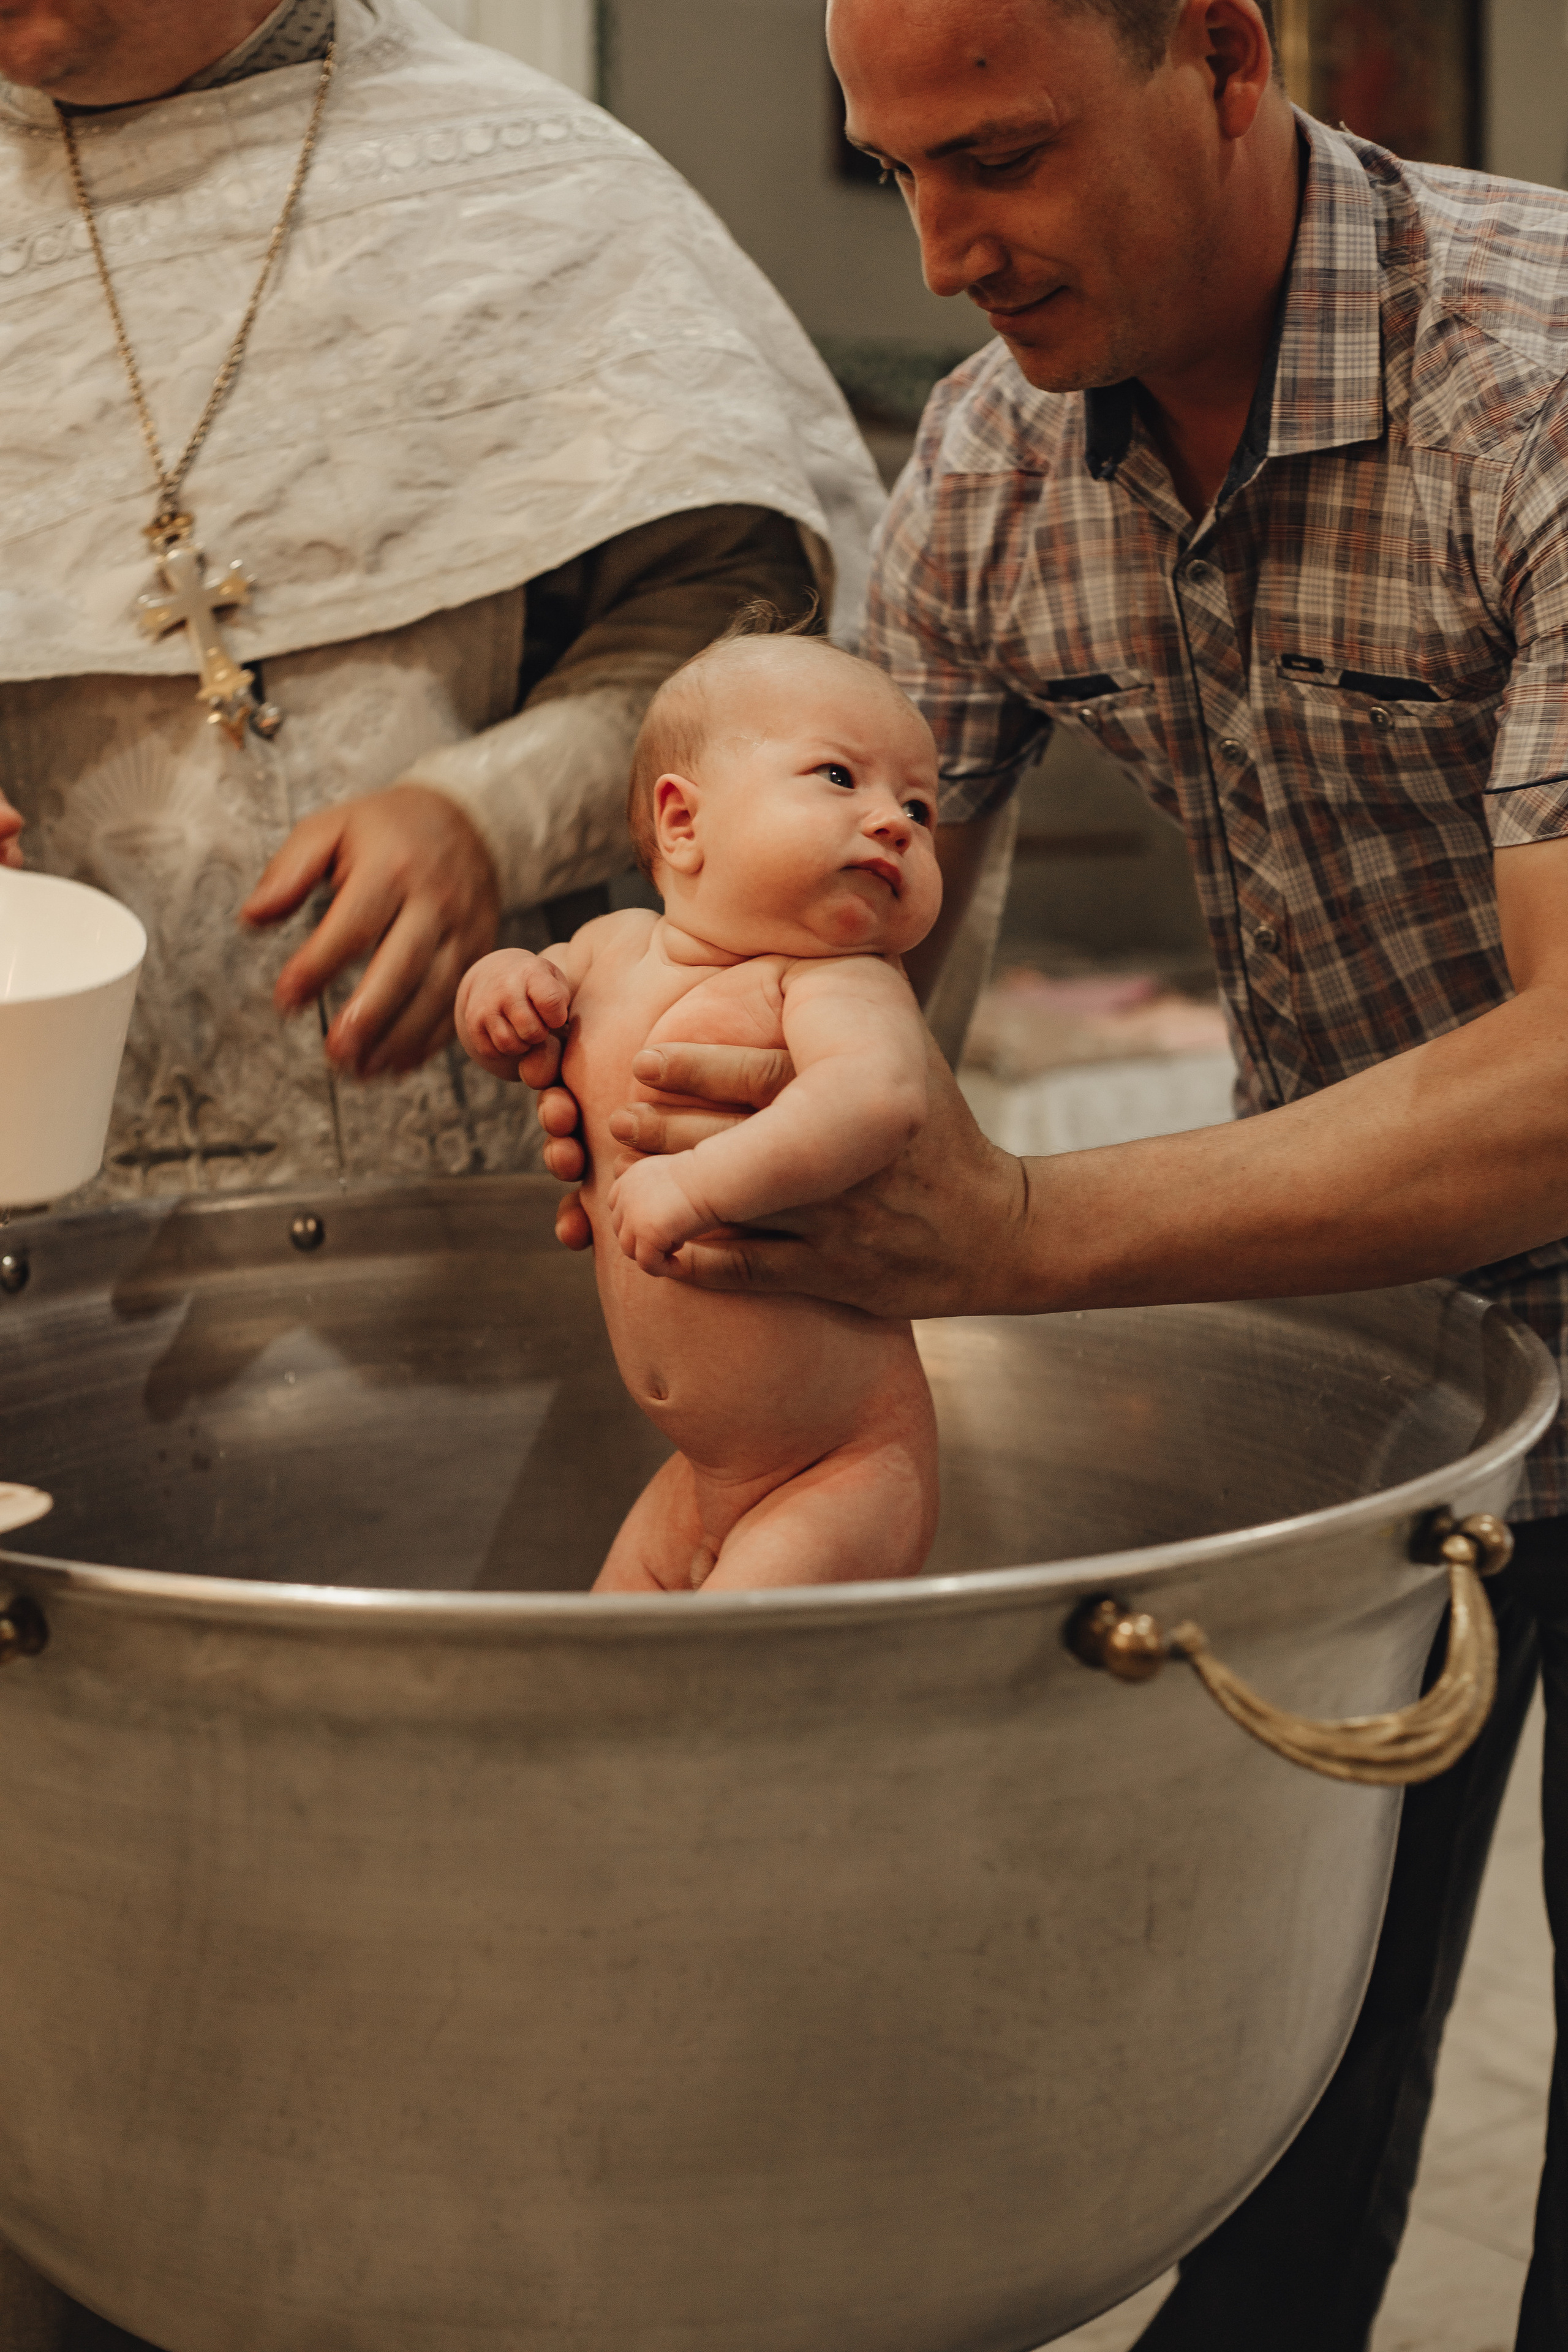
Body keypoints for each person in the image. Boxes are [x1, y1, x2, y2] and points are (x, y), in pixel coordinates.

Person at [528, 0, 1568, 2343]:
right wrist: (665, 1062)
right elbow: (842, 926)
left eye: (997, 154)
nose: (942, 247)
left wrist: (1021, 1228)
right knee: (1276, 2092)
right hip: (1392, 1361)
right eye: (898, 168)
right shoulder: (1000, 455)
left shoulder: (1532, 384)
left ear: (1220, 51)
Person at [0, 0, 883, 1200]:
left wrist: (489, 814)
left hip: (504, 1171)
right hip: (47, 1203)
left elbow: (743, 618)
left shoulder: (541, 182)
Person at [455, 624, 941, 1593]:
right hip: (704, 1473)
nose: (895, 821)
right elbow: (506, 1017)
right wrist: (499, 991)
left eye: (921, 806)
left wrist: (699, 1186)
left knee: (712, 1669)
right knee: (606, 1657)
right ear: (682, 823)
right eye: (839, 777)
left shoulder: (835, 980)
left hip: (842, 1469)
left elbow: (878, 1097)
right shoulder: (608, 948)